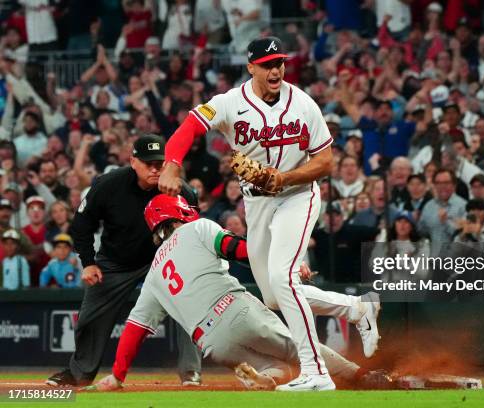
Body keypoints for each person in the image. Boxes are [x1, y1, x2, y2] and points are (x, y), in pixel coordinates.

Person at [158, 37, 380, 391]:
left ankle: (316, 372)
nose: (275, 69)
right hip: (257, 204)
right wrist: (171, 166)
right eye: (267, 64)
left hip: (298, 196)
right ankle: (357, 309)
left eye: (279, 62)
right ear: (251, 68)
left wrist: (286, 177)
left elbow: (325, 161)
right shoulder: (230, 102)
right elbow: (189, 127)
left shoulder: (303, 103)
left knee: (283, 279)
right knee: (275, 296)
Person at [81, 194, 392, 392]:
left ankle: (262, 377)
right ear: (178, 213)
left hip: (213, 344)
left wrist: (118, 375)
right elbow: (239, 249)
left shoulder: (153, 276)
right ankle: (361, 375)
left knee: (277, 370)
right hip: (235, 309)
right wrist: (284, 263)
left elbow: (135, 329)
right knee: (300, 350)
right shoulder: (198, 228)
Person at [46, 135, 202, 388]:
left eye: (160, 163)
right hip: (117, 261)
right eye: (148, 163)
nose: (155, 168)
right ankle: (79, 374)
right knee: (89, 316)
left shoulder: (181, 190)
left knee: (189, 303)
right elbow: (82, 224)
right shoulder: (108, 185)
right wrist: (88, 262)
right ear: (133, 161)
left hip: (164, 260)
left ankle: (191, 372)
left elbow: (196, 231)